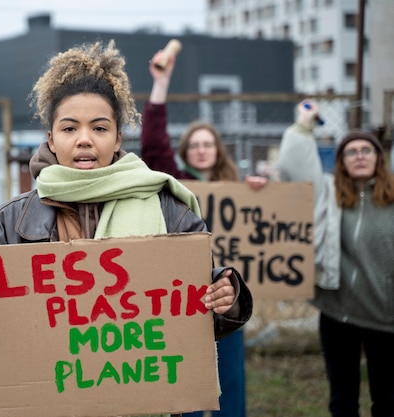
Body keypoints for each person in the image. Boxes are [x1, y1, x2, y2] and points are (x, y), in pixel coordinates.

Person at [0, 40, 253, 415]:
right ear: (51, 139)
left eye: (99, 128)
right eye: (70, 128)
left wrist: (224, 298)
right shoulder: (2, 229)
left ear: (118, 137)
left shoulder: (171, 213)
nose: (84, 139)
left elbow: (194, 326)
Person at [141, 49, 266, 417]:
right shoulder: (174, 184)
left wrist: (261, 188)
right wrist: (161, 83)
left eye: (207, 144)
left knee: (230, 378)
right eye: (193, 145)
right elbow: (152, 142)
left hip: (228, 295)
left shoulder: (238, 188)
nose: (200, 150)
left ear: (218, 150)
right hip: (186, 296)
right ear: (184, 153)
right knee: (190, 379)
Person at [277, 100, 394, 417]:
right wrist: (304, 124)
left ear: (378, 159)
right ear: (341, 161)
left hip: (386, 316)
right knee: (343, 401)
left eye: (366, 151)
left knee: (387, 400)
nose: (359, 156)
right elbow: (294, 167)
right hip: (338, 312)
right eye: (351, 151)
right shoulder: (327, 192)